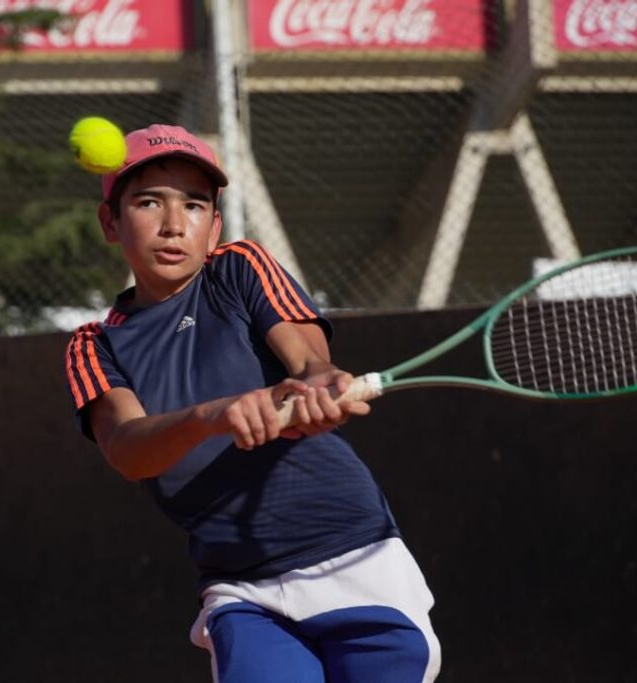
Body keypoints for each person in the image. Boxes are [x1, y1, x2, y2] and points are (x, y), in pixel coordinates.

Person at [64, 123, 440, 682]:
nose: (173, 225)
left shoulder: (239, 268)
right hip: (243, 591)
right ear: (111, 222)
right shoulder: (95, 345)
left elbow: (308, 360)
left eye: (194, 205)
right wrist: (213, 415)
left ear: (214, 227)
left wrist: (319, 384)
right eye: (149, 203)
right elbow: (128, 449)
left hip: (357, 557)